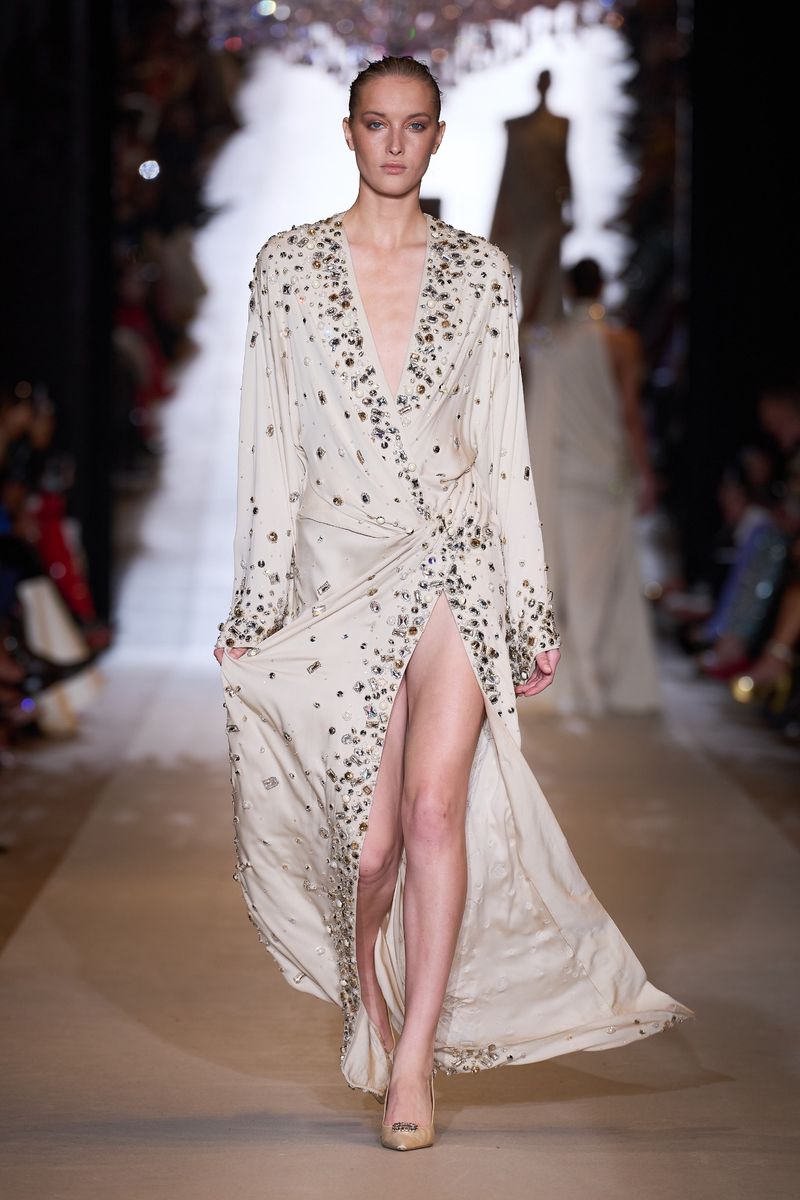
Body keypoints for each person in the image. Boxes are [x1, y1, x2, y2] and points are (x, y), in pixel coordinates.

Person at [214, 58, 690, 1151]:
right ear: (347, 133)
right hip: (337, 570)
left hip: (453, 564)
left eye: (414, 124)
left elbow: (503, 452)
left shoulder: (482, 274)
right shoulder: (286, 267)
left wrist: (527, 607)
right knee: (369, 849)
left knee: (434, 815)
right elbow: (268, 442)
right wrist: (256, 602)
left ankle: (414, 1059)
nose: (394, 144)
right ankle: (371, 1005)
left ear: (438, 137)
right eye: (376, 124)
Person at [526, 258, 663, 715]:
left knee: (571, 578)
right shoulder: (623, 342)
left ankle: (579, 680)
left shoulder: (552, 343)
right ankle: (590, 680)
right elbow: (630, 414)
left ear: (569, 288)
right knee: (599, 580)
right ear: (603, 286)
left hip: (564, 477)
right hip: (605, 479)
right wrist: (646, 474)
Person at [489, 69, 571, 327]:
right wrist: (501, 212)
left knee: (545, 274)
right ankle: (523, 330)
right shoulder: (516, 127)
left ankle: (540, 329)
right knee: (522, 270)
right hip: (521, 210)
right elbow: (507, 171)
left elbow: (564, 168)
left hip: (547, 211)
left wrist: (570, 207)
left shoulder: (560, 125)